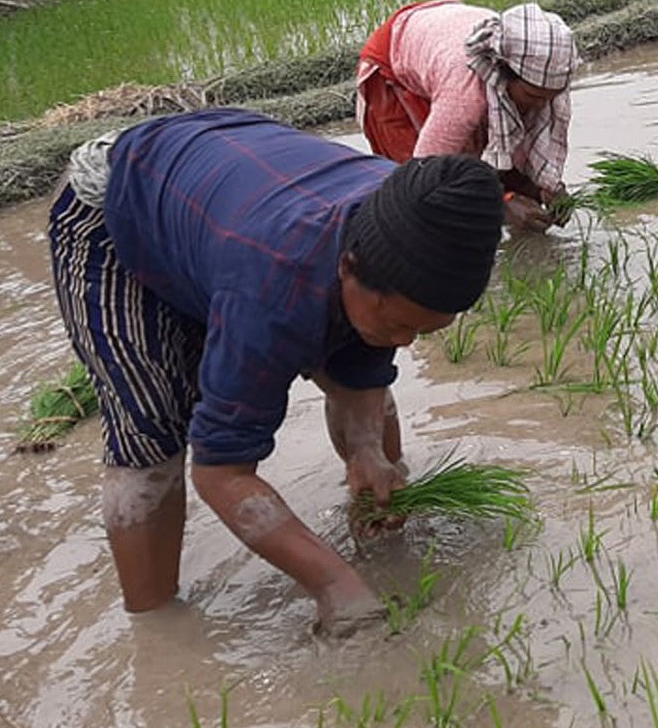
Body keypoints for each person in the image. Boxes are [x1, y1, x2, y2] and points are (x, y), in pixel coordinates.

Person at [46, 108, 505, 635]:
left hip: (229, 194)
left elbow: (364, 367)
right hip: (115, 200)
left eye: (422, 331)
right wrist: (336, 588)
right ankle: (156, 628)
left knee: (368, 375)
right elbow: (221, 470)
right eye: (397, 321)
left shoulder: (417, 219)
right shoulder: (274, 282)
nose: (404, 341)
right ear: (348, 266)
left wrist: (367, 451)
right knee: (151, 426)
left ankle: (381, 537)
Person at [357, 0, 578, 233]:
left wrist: (547, 188)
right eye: (534, 95)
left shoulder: (545, 80)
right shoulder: (464, 96)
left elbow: (524, 140)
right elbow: (424, 171)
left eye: (550, 96)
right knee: (419, 206)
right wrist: (502, 203)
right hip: (396, 55)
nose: (542, 105)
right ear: (502, 73)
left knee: (511, 178)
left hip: (443, 28)